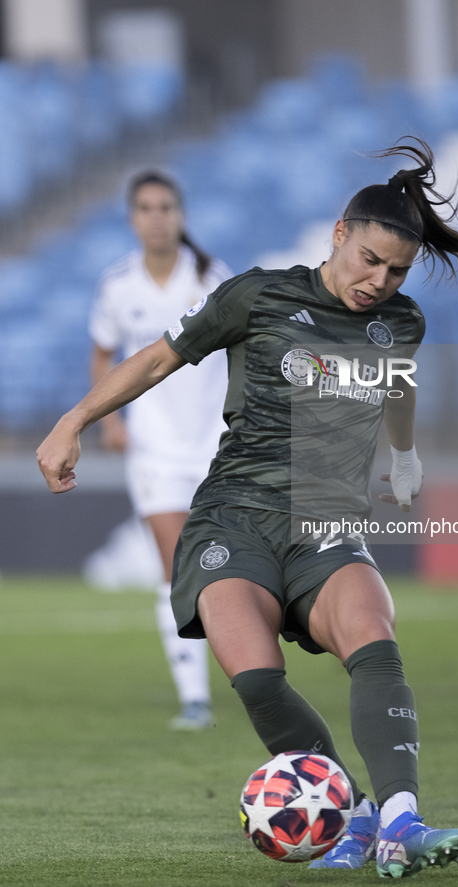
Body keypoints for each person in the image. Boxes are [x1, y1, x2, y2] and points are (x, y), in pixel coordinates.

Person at [38, 140, 458, 879]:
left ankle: (401, 817)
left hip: (326, 522)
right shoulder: (255, 295)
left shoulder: (400, 323)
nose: (379, 280)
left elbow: (397, 387)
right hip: (234, 515)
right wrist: (73, 420)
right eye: (368, 259)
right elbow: (154, 358)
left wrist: (402, 454)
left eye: (396, 270)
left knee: (373, 637)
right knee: (254, 676)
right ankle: (353, 813)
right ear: (338, 233)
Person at [89, 170, 232, 730]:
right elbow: (102, 353)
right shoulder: (117, 285)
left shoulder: (212, 278)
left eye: (166, 207)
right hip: (154, 450)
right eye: (146, 207)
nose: (156, 217)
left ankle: (251, 672)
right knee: (177, 568)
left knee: (228, 567)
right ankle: (194, 696)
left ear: (181, 215)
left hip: (216, 444)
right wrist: (110, 419)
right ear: (132, 218)